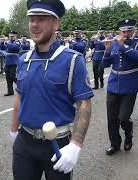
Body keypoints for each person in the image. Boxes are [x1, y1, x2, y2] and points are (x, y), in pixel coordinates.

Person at [9, 0, 93, 179]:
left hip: (57, 144)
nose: (34, 24)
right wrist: (13, 131)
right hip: (24, 141)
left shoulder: (72, 60)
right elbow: (19, 98)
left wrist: (75, 145)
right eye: (31, 19)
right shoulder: (23, 59)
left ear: (56, 23)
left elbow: (84, 104)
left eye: (41, 19)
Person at [102, 19, 138, 155]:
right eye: (123, 31)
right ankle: (114, 144)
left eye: (128, 31)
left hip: (129, 86)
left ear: (133, 31)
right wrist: (107, 51)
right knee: (112, 118)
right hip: (113, 85)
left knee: (124, 117)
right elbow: (105, 64)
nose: (125, 34)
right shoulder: (114, 44)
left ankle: (128, 132)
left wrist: (123, 45)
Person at [0, 31, 21, 96]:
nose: (11, 37)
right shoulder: (8, 42)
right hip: (8, 62)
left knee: (13, 76)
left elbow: (13, 47)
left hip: (14, 62)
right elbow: (2, 48)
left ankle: (22, 86)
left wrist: (6, 42)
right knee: (8, 78)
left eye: (12, 36)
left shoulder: (17, 42)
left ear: (15, 36)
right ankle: (10, 91)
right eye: (10, 36)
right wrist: (2, 43)